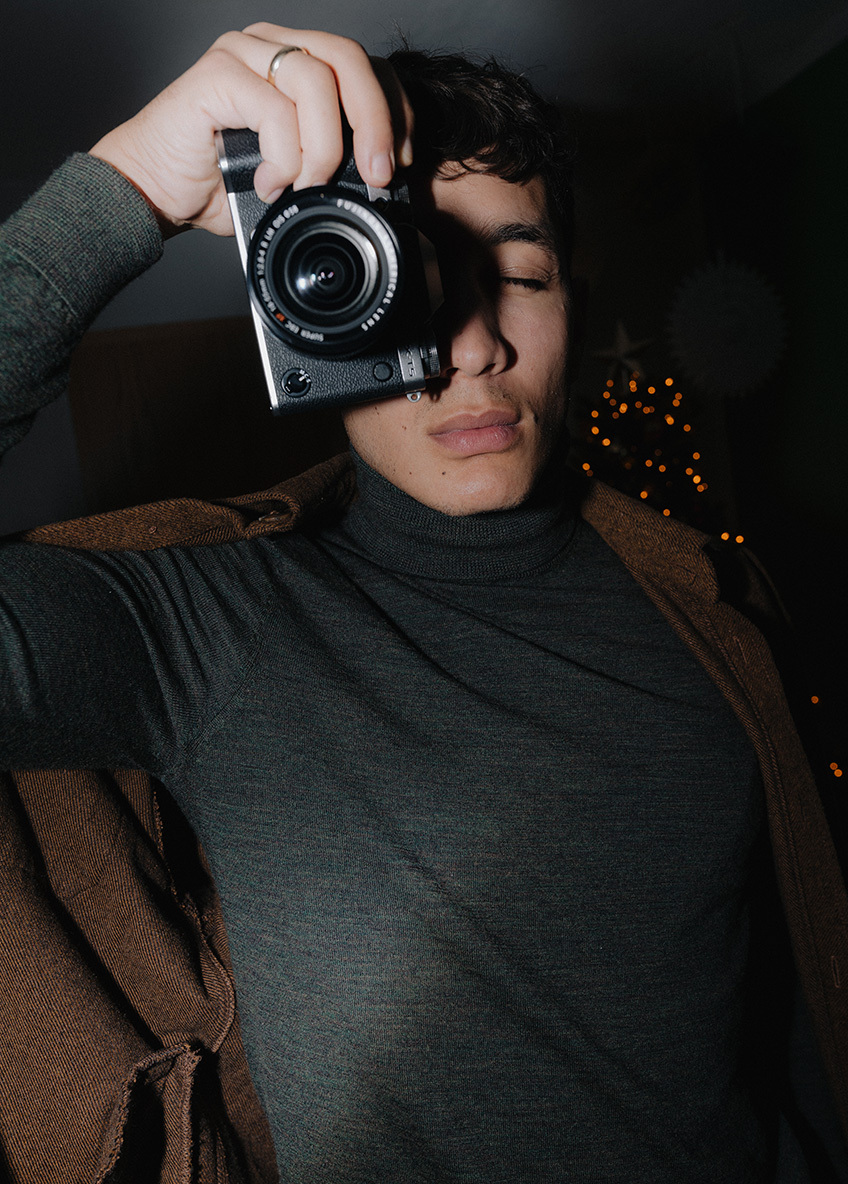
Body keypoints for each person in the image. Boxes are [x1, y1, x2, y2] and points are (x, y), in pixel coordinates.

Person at [1, 22, 846, 1184]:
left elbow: (791, 1004)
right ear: (304, 315)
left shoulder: (713, 600)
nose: (472, 344)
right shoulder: (210, 628)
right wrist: (122, 193)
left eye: (519, 275)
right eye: (403, 276)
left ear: (573, 299)